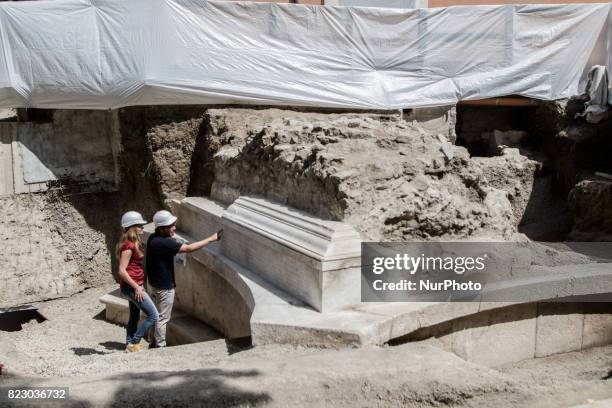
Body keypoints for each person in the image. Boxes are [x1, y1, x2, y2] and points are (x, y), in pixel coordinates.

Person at [146, 210, 221, 348]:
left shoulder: (153, 238)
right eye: (171, 226)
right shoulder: (163, 243)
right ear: (161, 228)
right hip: (164, 287)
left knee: (155, 315)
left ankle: (152, 341)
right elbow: (189, 248)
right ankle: (160, 346)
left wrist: (172, 237)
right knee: (163, 318)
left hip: (154, 284)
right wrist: (212, 238)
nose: (174, 228)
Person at [116, 211, 159, 353]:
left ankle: (130, 343)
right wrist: (137, 288)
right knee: (153, 315)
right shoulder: (128, 246)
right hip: (132, 287)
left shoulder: (133, 243)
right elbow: (122, 271)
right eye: (140, 225)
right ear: (132, 227)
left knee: (134, 316)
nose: (143, 228)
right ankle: (134, 342)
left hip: (133, 286)